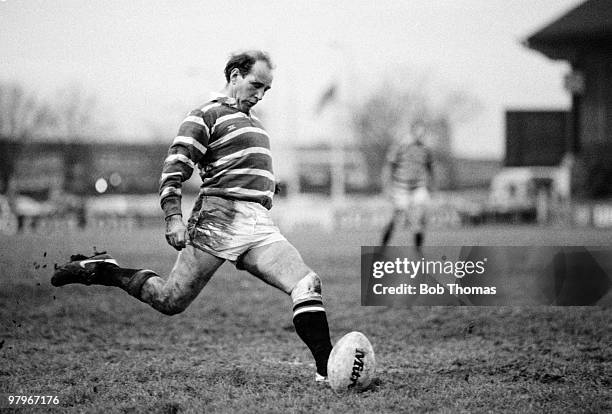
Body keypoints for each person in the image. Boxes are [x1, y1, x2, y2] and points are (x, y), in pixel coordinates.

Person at [51, 50, 333, 383]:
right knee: (170, 300)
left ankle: (327, 370)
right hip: (219, 218)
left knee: (306, 283)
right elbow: (174, 168)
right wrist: (173, 216)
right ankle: (103, 270)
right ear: (234, 77)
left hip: (259, 223)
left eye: (266, 90)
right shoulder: (204, 115)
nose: (259, 95)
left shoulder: (255, 123)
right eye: (256, 85)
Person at [379, 120, 434, 253]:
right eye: (419, 132)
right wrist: (386, 187)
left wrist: (431, 185)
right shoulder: (400, 146)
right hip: (401, 188)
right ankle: (383, 247)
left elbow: (430, 168)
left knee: (419, 217)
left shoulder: (426, 149)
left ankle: (418, 250)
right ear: (413, 131)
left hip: (418, 187)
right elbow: (388, 166)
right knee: (395, 220)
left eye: (423, 132)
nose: (421, 135)